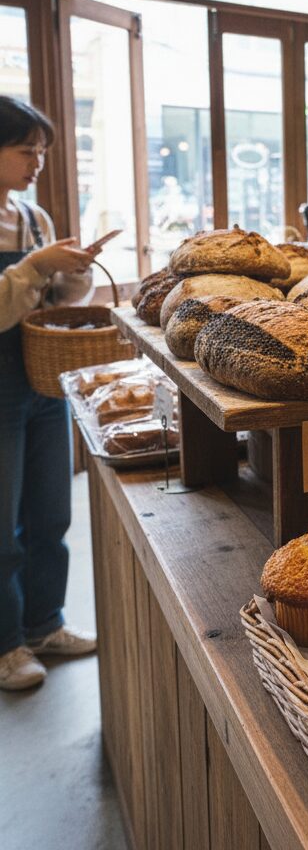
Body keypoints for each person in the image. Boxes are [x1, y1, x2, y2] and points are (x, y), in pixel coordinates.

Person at [0, 96, 98, 691]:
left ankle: (44, 623)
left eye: (41, 151)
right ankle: (6, 643)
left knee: (51, 512)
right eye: (24, 150)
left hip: (41, 376)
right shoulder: (30, 236)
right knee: (1, 523)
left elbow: (55, 301)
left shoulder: (34, 218)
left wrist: (73, 272)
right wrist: (36, 266)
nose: (37, 162)